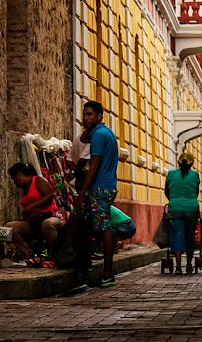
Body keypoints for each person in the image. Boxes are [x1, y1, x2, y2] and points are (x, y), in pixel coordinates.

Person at [73, 100, 119, 287]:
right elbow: (84, 141)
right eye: (84, 115)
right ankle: (97, 268)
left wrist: (82, 192)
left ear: (100, 115)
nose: (86, 118)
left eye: (90, 114)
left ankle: (107, 272)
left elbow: (94, 166)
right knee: (100, 226)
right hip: (108, 185)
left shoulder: (99, 136)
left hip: (99, 187)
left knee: (104, 228)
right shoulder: (105, 132)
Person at [6, 163, 63, 258]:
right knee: (10, 227)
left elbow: (50, 196)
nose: (15, 183)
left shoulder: (38, 180)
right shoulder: (24, 189)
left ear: (19, 175)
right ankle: (28, 253)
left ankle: (53, 255)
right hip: (35, 221)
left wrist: (31, 206)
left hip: (51, 216)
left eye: (14, 180)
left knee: (47, 224)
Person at [164, 153, 201, 274]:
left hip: (175, 208)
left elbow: (167, 192)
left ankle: (178, 267)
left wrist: (175, 200)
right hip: (191, 209)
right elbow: (196, 192)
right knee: (190, 235)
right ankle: (189, 265)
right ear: (191, 164)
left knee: (177, 236)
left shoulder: (171, 174)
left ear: (179, 163)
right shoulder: (195, 175)